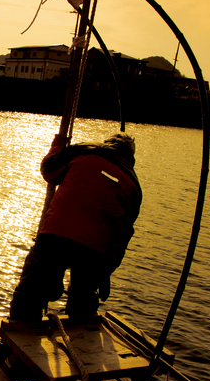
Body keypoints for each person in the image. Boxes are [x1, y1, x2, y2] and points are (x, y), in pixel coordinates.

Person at [9, 132, 142, 320]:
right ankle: (81, 338)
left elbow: (48, 171)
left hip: (58, 234)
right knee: (83, 299)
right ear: (131, 156)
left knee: (31, 292)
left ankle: (18, 332)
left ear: (107, 143)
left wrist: (58, 144)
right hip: (99, 249)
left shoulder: (83, 150)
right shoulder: (134, 184)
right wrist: (105, 273)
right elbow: (124, 234)